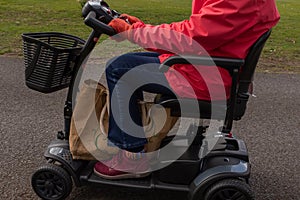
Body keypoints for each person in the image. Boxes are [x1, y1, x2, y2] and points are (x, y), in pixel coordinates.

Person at [93, 0, 280, 179]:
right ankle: (134, 143)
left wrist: (134, 32)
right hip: (210, 65)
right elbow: (195, 31)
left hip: (205, 76)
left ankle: (131, 156)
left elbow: (189, 37)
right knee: (124, 63)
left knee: (119, 70)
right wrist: (139, 27)